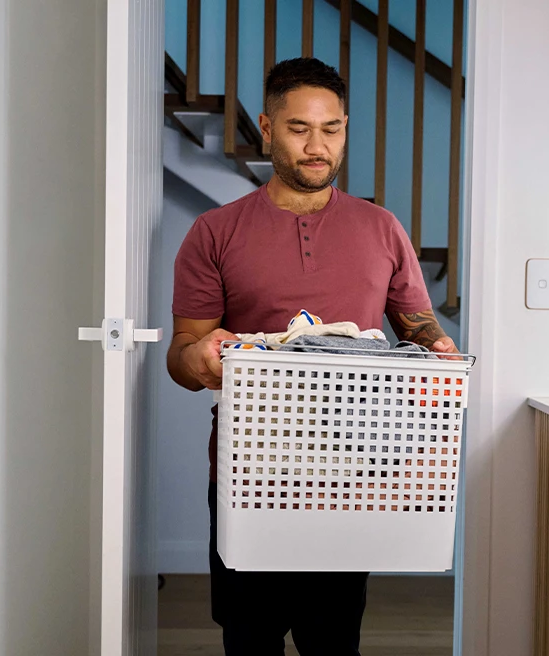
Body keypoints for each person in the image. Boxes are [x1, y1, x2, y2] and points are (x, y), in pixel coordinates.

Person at [166, 57, 459, 655]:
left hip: (352, 475)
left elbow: (418, 326)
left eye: (332, 129)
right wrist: (202, 356)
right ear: (269, 130)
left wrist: (438, 348)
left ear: (346, 128)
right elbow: (181, 357)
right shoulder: (214, 232)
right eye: (300, 128)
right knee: (250, 639)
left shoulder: (381, 228)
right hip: (251, 477)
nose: (318, 146)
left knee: (333, 638)